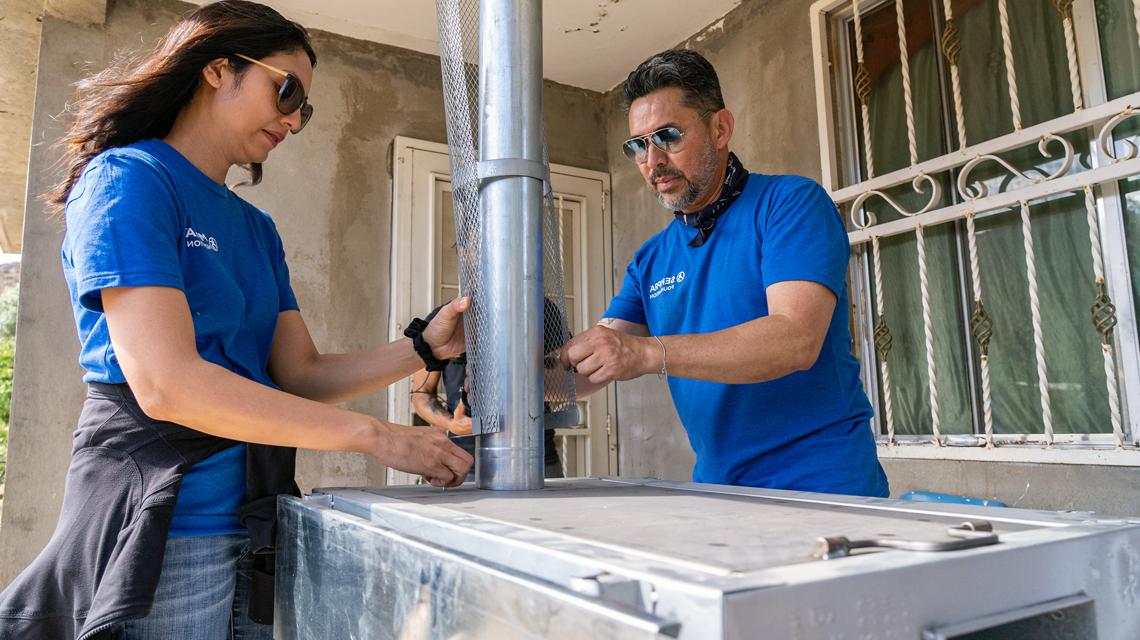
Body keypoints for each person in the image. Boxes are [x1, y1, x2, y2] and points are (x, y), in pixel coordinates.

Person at [0, 3, 472, 639]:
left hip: (256, 526)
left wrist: (423, 347)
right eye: (288, 89)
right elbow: (166, 384)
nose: (294, 117)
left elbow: (297, 374)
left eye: (305, 108)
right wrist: (381, 438)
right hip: (162, 528)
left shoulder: (257, 228)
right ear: (218, 69)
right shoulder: (129, 179)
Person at [561, 49, 888, 498]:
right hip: (719, 490)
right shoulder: (650, 259)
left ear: (720, 128)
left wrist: (644, 353)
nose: (652, 162)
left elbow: (796, 339)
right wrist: (511, 381)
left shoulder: (791, 203)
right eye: (638, 145)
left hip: (824, 486)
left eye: (668, 136)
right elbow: (597, 360)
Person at [411, 300, 569, 480]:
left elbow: (567, 377)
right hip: (466, 461)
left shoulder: (539, 307)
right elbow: (421, 394)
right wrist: (451, 424)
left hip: (536, 454)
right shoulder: (446, 317)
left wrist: (523, 374)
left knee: (543, 508)